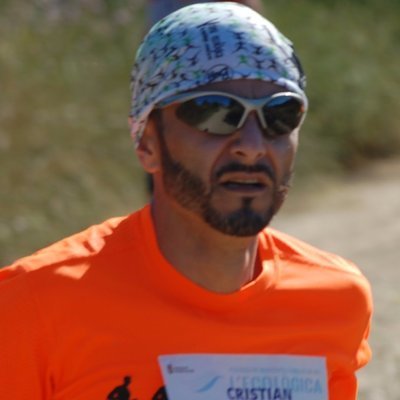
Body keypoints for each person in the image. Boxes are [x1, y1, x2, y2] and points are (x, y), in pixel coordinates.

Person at [0, 3, 372, 400]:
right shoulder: (33, 308)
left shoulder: (337, 300)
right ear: (147, 144)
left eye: (280, 114)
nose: (251, 146)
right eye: (214, 112)